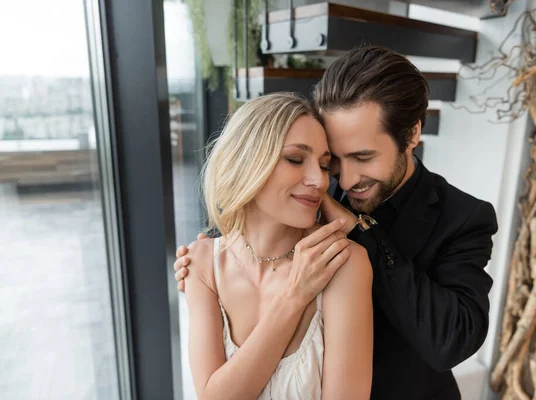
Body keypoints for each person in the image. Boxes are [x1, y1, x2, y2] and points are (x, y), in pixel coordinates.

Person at [175, 46, 498, 399]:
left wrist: (362, 234)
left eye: (363, 157)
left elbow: (450, 341)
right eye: (335, 161)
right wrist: (209, 250)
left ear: (411, 135)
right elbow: (267, 208)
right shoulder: (315, 190)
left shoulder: (464, 218)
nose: (342, 182)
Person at [183, 92, 373, 400]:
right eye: (295, 159)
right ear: (246, 162)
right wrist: (295, 296)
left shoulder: (343, 263)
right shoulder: (201, 265)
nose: (319, 181)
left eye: (324, 166)